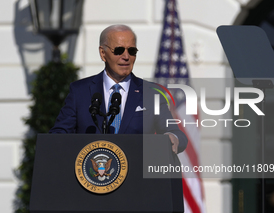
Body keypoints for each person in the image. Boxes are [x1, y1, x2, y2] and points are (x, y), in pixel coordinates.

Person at [49, 24, 187, 154]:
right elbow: (58, 134)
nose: (126, 57)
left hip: (137, 175)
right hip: (92, 173)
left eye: (131, 51)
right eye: (119, 50)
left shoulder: (152, 93)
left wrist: (172, 137)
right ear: (103, 53)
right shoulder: (80, 91)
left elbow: (176, 133)